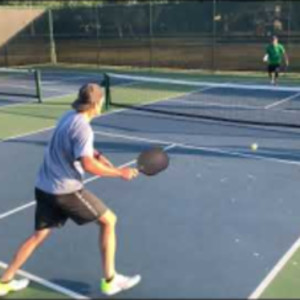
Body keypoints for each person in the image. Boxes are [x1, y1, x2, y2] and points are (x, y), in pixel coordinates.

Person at [0, 83, 141, 297]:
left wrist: (98, 155)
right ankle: (110, 280)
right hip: (65, 191)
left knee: (38, 235)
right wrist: (119, 173)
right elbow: (88, 165)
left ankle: (4, 282)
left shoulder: (68, 116)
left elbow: (81, 149)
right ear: (96, 104)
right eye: (101, 99)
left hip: (44, 186)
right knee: (109, 221)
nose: (102, 102)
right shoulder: (84, 128)